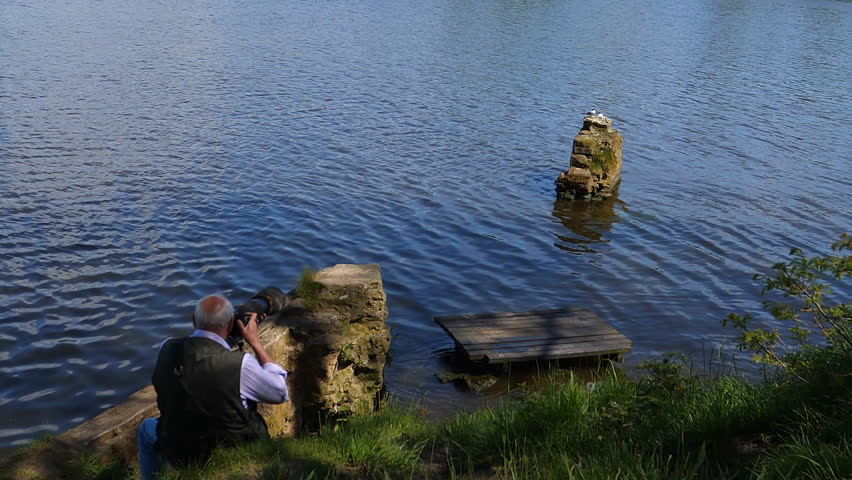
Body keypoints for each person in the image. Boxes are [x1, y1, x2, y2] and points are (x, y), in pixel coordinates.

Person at [137, 294, 289, 479]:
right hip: (231, 449)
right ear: (231, 323)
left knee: (146, 428)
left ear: (194, 321)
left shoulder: (167, 349)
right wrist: (254, 342)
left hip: (179, 449)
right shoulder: (240, 364)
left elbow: (201, 361)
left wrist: (226, 341)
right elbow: (279, 391)